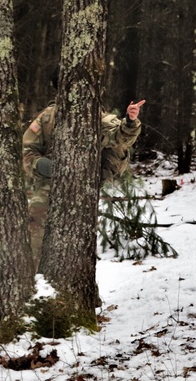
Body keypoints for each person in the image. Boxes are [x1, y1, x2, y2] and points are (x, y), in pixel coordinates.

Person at [22, 96, 145, 271]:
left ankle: (74, 292)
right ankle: (33, 285)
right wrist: (46, 167)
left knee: (77, 246)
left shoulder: (95, 115)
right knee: (35, 237)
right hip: (47, 188)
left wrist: (130, 122)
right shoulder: (47, 116)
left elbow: (120, 136)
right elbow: (27, 151)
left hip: (83, 190)